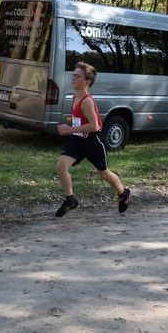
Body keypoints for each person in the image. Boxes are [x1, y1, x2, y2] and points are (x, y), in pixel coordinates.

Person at [55, 62, 130, 217]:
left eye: (78, 76)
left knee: (103, 173)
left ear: (87, 81)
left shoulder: (87, 101)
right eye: (73, 75)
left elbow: (95, 126)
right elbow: (80, 121)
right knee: (61, 166)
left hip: (92, 141)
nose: (73, 78)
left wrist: (69, 129)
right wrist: (72, 130)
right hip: (77, 140)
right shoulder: (75, 96)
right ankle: (70, 200)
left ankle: (123, 193)